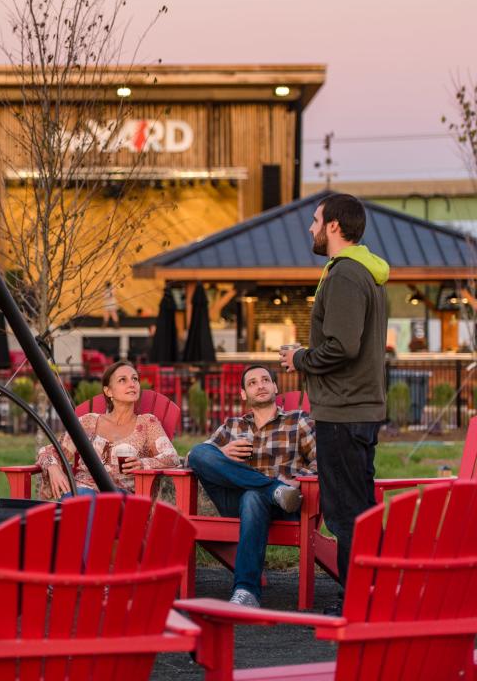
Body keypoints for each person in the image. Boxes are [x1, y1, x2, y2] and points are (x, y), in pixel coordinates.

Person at [279, 193, 388, 613]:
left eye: (316, 219)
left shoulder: (344, 275)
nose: (310, 227)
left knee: (346, 513)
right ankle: (365, 596)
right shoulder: (365, 273)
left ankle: (357, 603)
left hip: (343, 410)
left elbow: (342, 346)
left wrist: (299, 359)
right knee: (357, 508)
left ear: (335, 226)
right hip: (358, 408)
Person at [186, 365, 316, 607]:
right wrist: (222, 452)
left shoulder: (298, 420)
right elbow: (194, 458)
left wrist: (299, 480)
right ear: (244, 394)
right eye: (253, 383)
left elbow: (325, 459)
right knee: (200, 454)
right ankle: (272, 488)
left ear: (276, 387)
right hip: (236, 502)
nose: (261, 385)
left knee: (252, 498)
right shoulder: (232, 426)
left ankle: (246, 592)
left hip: (284, 507)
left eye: (266, 380)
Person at [37, 361, 179, 499]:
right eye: (122, 380)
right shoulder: (88, 422)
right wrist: (54, 468)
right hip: (82, 489)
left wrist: (143, 464)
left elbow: (172, 457)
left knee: (87, 502)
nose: (132, 384)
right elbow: (51, 451)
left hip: (121, 496)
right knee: (81, 497)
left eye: (135, 379)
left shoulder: (147, 423)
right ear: (108, 391)